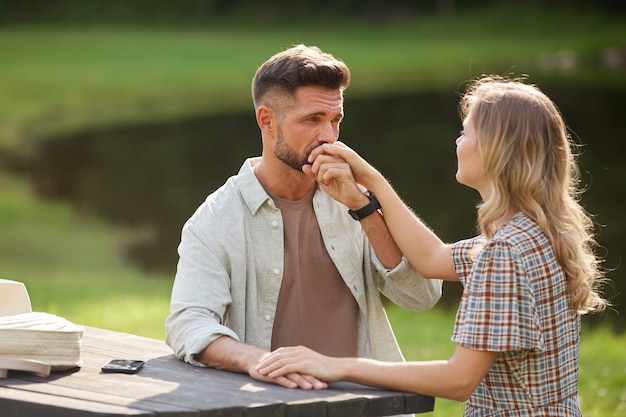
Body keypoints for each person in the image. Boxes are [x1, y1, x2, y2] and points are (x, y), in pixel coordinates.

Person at [256, 75, 609, 416]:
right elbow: (430, 258)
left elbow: (458, 380)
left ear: (495, 149)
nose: (457, 142)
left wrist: (335, 366)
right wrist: (369, 183)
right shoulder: (535, 233)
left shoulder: (503, 253)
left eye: (465, 133)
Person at [164, 44, 443, 391]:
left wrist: (365, 207)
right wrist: (259, 361)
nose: (328, 136)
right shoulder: (214, 220)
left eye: (335, 120)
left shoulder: (354, 200)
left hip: (366, 406)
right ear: (267, 120)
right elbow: (188, 323)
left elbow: (422, 296)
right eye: (312, 119)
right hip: (272, 403)